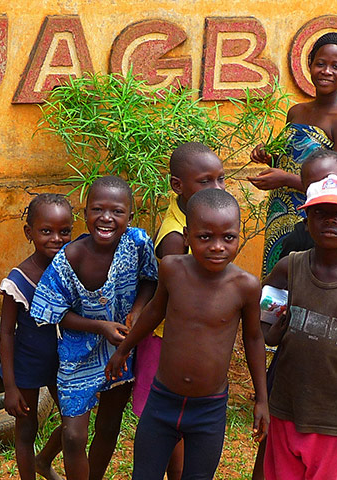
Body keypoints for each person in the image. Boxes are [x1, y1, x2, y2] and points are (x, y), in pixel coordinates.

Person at [106, 188, 269, 480]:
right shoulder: (172, 269)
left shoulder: (245, 285)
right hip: (162, 400)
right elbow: (155, 312)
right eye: (205, 237)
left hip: (209, 410)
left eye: (228, 237)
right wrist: (123, 349)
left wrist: (262, 398)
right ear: (186, 235)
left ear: (239, 236)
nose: (217, 246)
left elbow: (254, 338)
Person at [252, 149, 337, 480]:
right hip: (287, 407)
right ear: (307, 220)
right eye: (320, 213)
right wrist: (273, 332)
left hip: (334, 418)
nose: (330, 220)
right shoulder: (289, 268)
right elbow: (261, 326)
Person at [30, 176, 158, 480]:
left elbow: (151, 280)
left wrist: (138, 310)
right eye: (97, 209)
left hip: (123, 348)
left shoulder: (138, 243)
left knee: (108, 425)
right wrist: (100, 327)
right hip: (79, 353)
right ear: (84, 213)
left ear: (129, 216)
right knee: (74, 435)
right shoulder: (69, 259)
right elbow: (52, 312)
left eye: (117, 212)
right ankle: (44, 459)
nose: (106, 218)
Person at [133, 142, 225, 480]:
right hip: (167, 342)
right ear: (177, 186)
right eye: (205, 181)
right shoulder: (175, 238)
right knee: (168, 424)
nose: (216, 189)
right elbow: (169, 304)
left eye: (221, 179)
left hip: (187, 342)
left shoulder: (198, 218)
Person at [248, 32, 337, 278]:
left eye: (336, 66)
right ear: (309, 64)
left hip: (311, 220)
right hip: (279, 213)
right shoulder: (296, 112)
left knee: (302, 281)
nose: (326, 71)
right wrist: (269, 158)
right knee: (276, 284)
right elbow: (294, 160)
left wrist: (285, 179)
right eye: (320, 63)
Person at [0, 193, 73, 480]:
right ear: (29, 233)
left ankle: (44, 462)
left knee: (73, 425)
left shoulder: (72, 271)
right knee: (26, 430)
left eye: (64, 231)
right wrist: (10, 386)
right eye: (46, 231)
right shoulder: (19, 279)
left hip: (64, 363)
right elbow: (6, 332)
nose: (56, 238)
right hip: (27, 364)